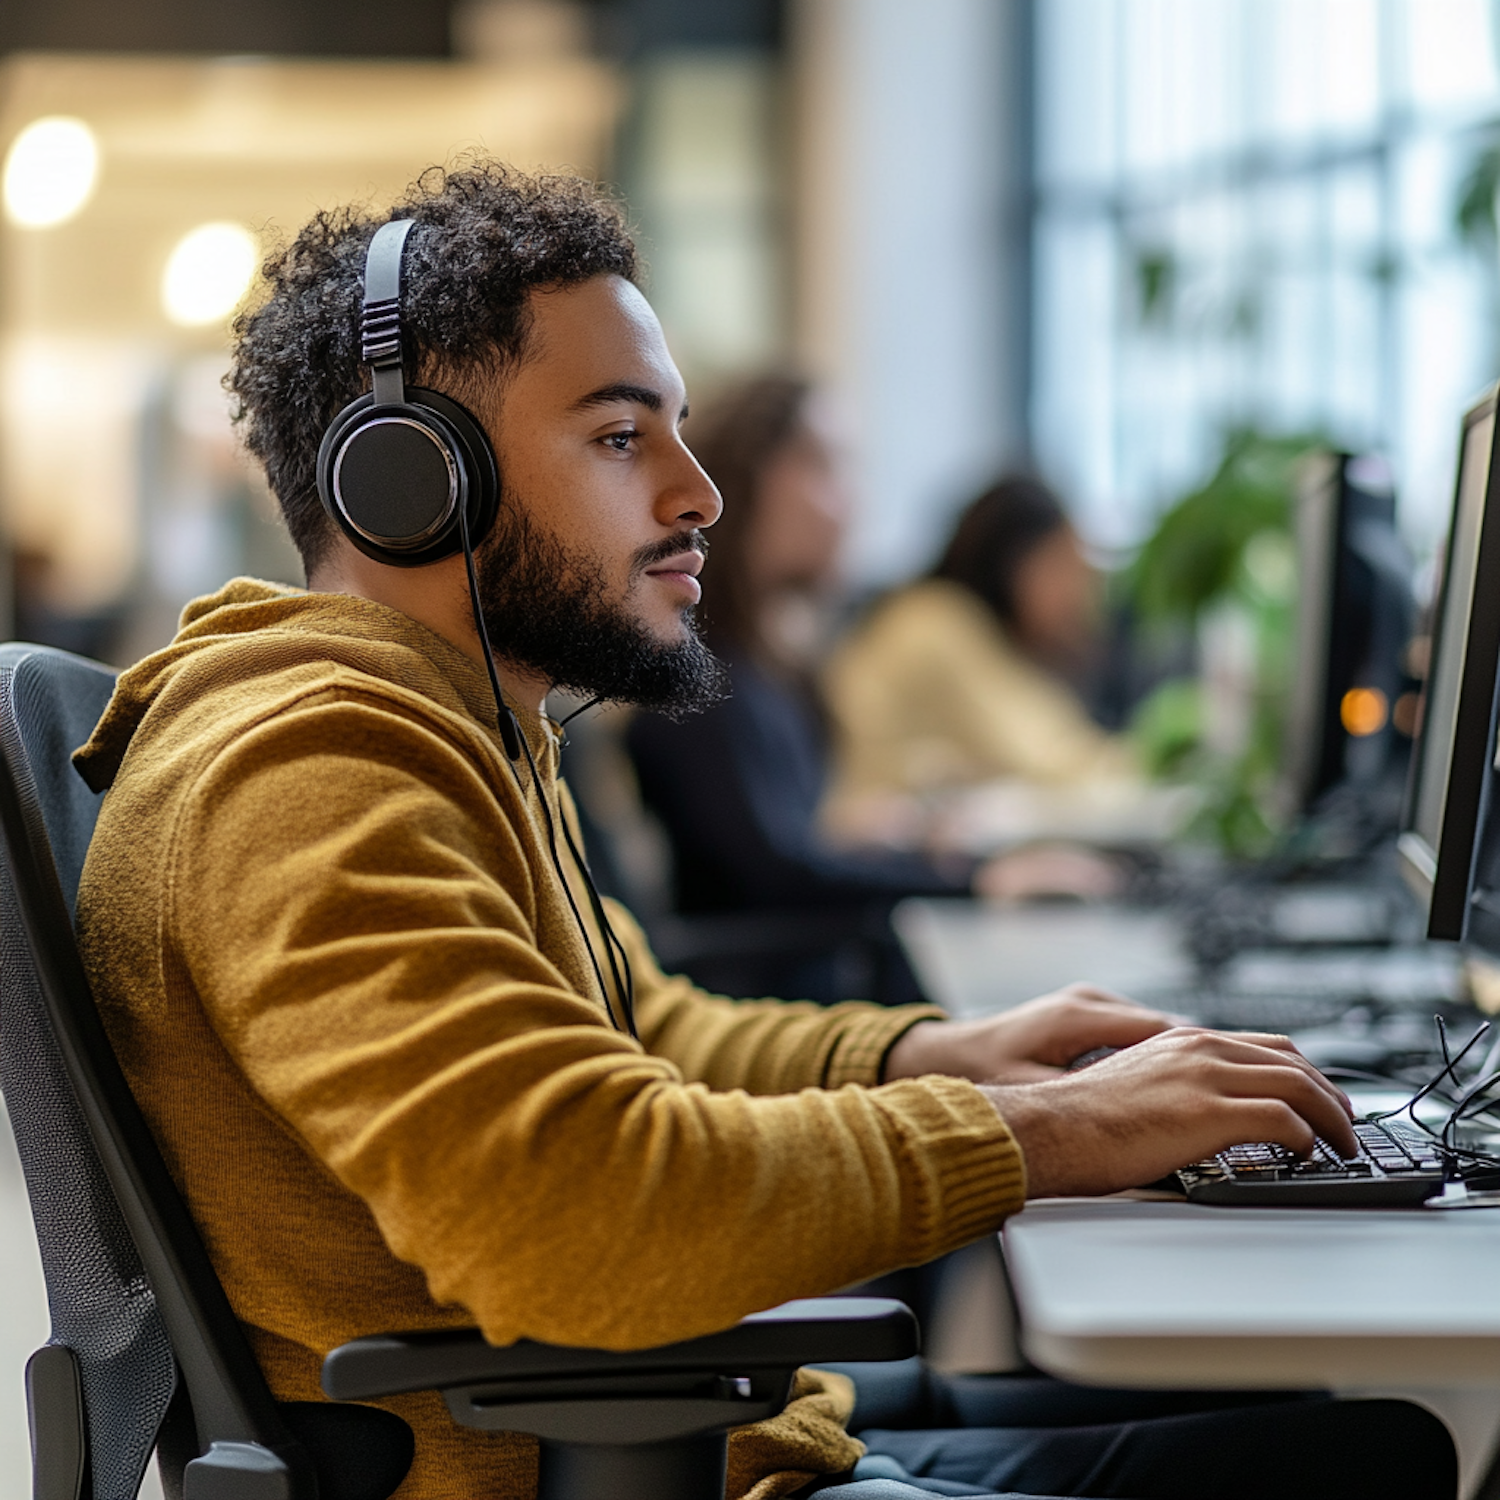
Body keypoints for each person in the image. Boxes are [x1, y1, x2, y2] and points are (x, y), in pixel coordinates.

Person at [72, 161, 1454, 1500]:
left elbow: (647, 1031)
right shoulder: (313, 774)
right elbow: (577, 1215)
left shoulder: (456, 727)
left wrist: (933, 1049)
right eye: (621, 437)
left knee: (1362, 1446)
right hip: (585, 1463)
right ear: (411, 479)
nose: (697, 492)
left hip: (701, 1438)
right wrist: (1033, 1134)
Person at [824, 478, 1139, 843]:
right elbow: (1051, 764)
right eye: (1065, 566)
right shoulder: (934, 624)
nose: (1084, 595)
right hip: (870, 857)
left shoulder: (953, 624)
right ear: (1017, 563)